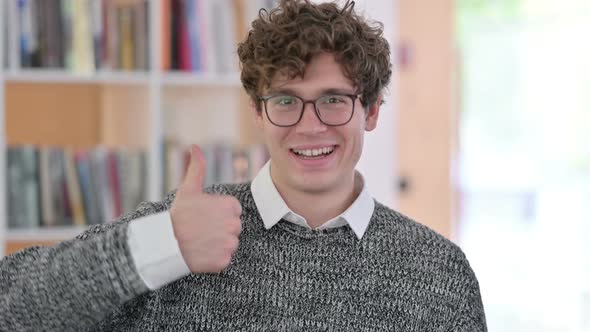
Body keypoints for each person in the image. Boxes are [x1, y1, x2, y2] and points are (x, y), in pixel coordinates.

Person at [0, 0, 487, 331]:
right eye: (285, 101)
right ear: (258, 111)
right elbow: (10, 306)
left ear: (373, 111)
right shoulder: (181, 236)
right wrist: (157, 246)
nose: (310, 125)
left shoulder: (440, 274)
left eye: (334, 100)